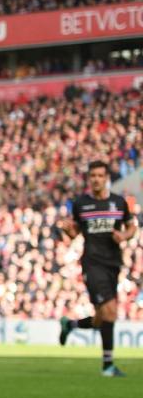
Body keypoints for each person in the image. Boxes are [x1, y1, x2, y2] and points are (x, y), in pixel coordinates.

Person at [57, 160, 137, 376]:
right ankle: (108, 365)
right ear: (89, 178)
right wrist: (67, 229)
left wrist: (124, 236)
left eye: (100, 175)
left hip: (113, 264)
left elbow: (131, 227)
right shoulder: (81, 204)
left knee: (103, 317)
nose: (96, 179)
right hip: (92, 263)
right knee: (111, 311)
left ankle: (71, 326)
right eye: (93, 176)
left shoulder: (118, 203)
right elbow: (75, 233)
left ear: (106, 178)